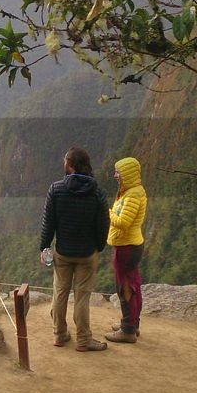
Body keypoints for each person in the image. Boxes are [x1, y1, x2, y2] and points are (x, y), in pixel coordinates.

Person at [38, 146, 110, 352]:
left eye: (65, 161)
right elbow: (103, 223)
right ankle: (84, 340)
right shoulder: (96, 192)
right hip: (87, 253)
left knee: (60, 293)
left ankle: (59, 335)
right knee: (82, 297)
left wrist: (44, 247)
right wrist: (98, 246)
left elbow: (48, 223)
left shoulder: (56, 189)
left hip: (63, 252)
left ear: (69, 165)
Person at [105, 157, 147, 343]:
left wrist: (108, 212)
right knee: (131, 284)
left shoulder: (132, 196)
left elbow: (123, 222)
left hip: (127, 246)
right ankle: (131, 323)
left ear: (127, 174)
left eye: (118, 172)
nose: (115, 176)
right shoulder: (132, 192)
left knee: (125, 287)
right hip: (130, 244)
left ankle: (128, 330)